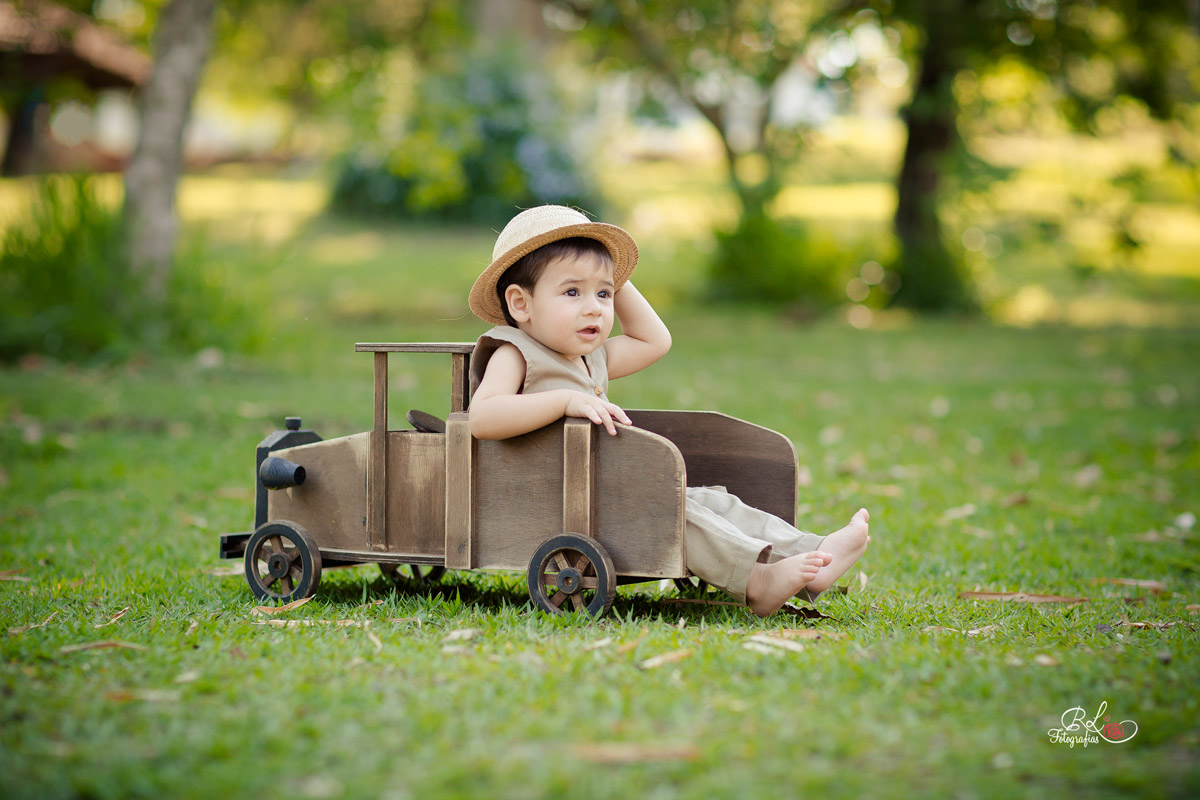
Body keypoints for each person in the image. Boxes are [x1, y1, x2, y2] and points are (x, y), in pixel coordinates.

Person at [467, 205, 870, 617]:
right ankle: (757, 581)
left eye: (604, 294)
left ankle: (812, 554)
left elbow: (654, 339)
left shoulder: (590, 358)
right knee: (676, 513)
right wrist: (564, 400)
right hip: (554, 496)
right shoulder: (516, 353)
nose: (594, 308)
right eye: (572, 292)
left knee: (713, 503)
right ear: (520, 303)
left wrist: (612, 278)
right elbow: (482, 418)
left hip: (601, 490)